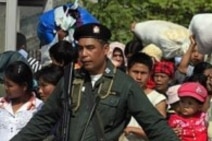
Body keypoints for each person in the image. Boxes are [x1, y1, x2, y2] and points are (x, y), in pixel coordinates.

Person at [11, 23, 179, 141]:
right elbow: (42, 121)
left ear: (105, 50)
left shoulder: (124, 85)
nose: (84, 54)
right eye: (80, 48)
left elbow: (155, 125)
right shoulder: (69, 80)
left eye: (90, 48)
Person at [121, 52, 167, 140]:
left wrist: (133, 130)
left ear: (149, 75)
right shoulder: (119, 93)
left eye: (143, 73)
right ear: (127, 71)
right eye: (135, 72)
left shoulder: (157, 99)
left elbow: (160, 133)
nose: (139, 77)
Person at [0, 61, 43, 141]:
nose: (5, 88)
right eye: (4, 83)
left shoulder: (39, 107)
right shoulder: (1, 104)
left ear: (24, 86)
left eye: (10, 85)